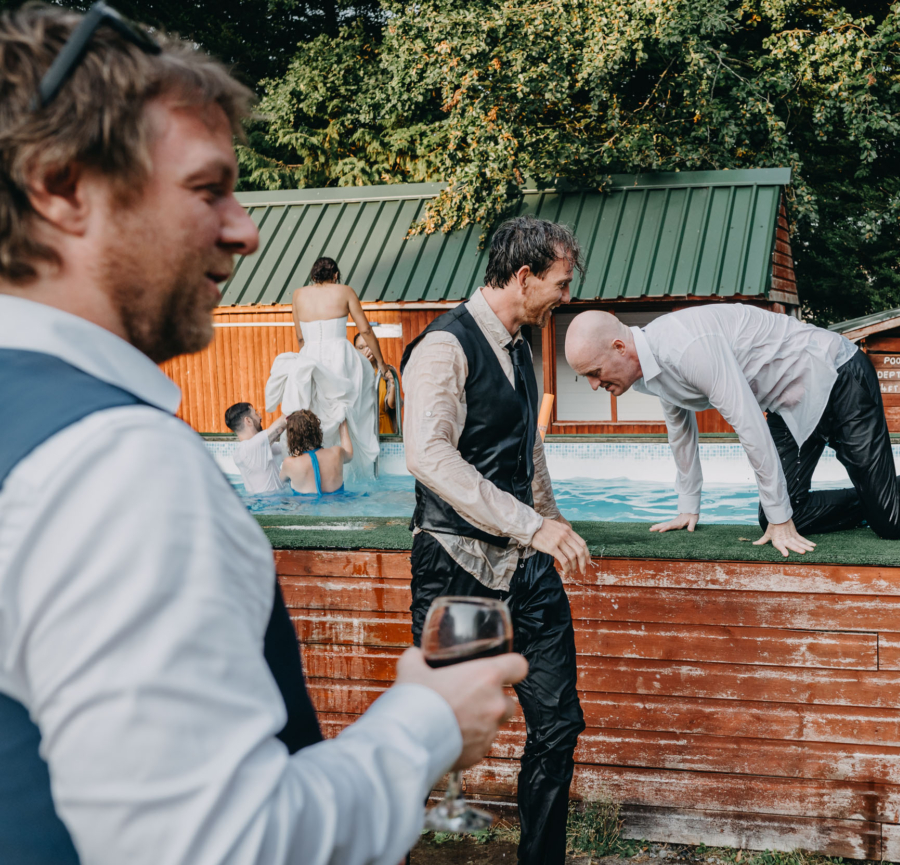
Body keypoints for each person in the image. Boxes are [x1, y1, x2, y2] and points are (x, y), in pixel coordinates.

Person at [0, 6, 526, 864]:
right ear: (61, 187)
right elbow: (220, 845)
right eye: (207, 189)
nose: (245, 230)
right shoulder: (112, 461)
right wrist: (429, 722)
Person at [401, 215, 593, 865]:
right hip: (456, 568)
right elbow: (428, 456)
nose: (566, 295)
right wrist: (532, 524)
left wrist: (552, 525)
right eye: (561, 283)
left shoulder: (520, 346)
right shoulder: (443, 348)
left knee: (558, 725)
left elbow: (527, 452)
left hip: (527, 569)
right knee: (433, 728)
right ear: (524, 276)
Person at [564, 306, 900, 555]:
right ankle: (890, 489)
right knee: (777, 512)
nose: (596, 385)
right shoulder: (649, 367)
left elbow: (749, 425)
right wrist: (688, 506)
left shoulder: (684, 346)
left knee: (890, 522)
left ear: (619, 348)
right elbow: (680, 429)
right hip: (790, 400)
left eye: (594, 373)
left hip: (837, 377)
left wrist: (782, 522)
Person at [264, 256, 387, 484]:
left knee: (314, 413)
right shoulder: (345, 291)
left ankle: (309, 475)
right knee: (352, 402)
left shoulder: (298, 294)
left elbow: (300, 337)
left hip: (309, 356)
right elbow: (366, 330)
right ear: (336, 275)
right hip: (340, 358)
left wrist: (306, 364)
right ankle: (348, 473)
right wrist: (380, 362)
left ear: (313, 276)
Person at [280, 410, 351, 495]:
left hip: (305, 503)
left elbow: (282, 479)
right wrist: (343, 424)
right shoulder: (337, 453)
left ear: (291, 437)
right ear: (318, 430)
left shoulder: (289, 463)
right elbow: (349, 454)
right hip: (338, 502)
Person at [225, 401, 288, 494]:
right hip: (271, 501)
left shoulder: (240, 452)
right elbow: (282, 423)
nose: (260, 417)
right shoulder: (250, 448)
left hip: (260, 500)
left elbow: (288, 450)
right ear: (248, 421)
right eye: (256, 414)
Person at [355, 331, 399, 434]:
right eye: (361, 348)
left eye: (369, 346)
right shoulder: (353, 373)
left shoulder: (387, 371)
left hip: (384, 427)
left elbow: (392, 405)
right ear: (355, 350)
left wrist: (393, 384)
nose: (367, 350)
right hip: (363, 427)